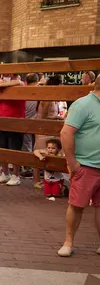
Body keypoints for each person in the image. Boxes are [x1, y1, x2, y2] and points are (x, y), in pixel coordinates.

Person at [58, 74, 100, 257]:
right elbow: (66, 133)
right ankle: (68, 242)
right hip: (87, 165)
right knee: (76, 204)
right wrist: (73, 162)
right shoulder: (83, 104)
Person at [0, 73, 26, 186]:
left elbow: (19, 82)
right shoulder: (3, 86)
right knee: (1, 147)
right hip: (2, 121)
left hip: (16, 121)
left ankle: (16, 175)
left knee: (14, 149)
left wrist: (1, 84)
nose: (3, 76)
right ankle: (5, 173)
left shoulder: (20, 84)